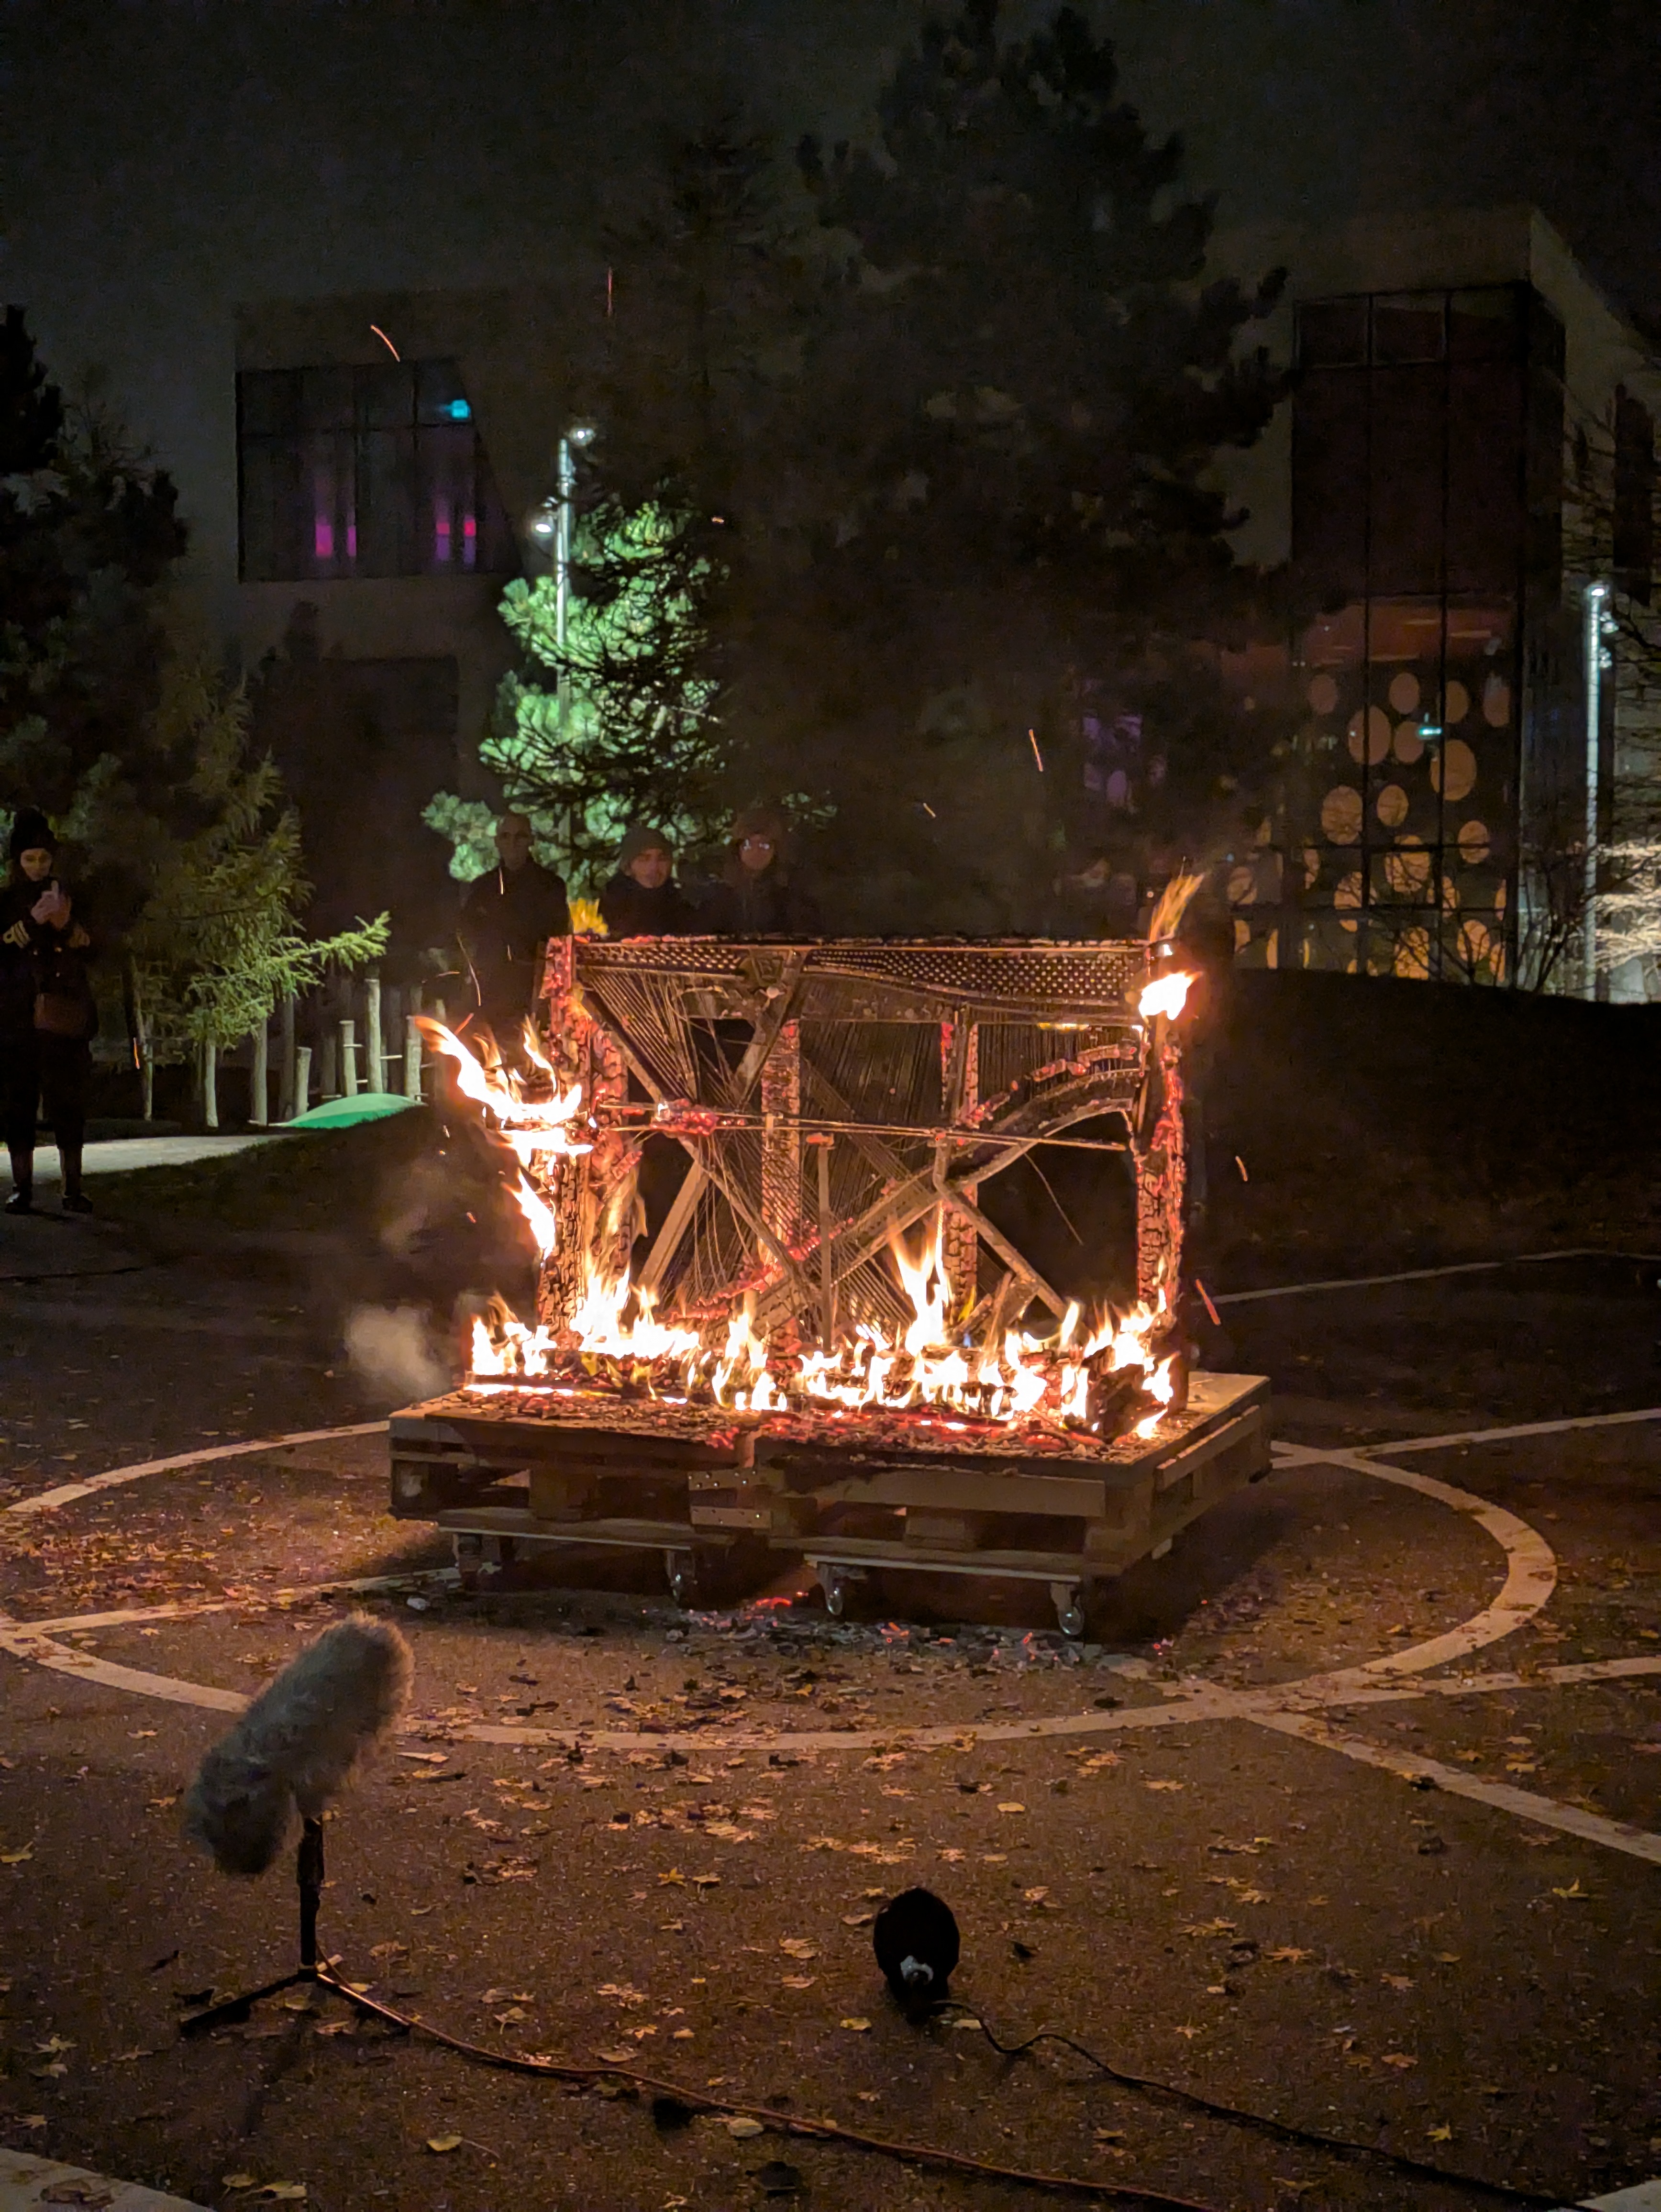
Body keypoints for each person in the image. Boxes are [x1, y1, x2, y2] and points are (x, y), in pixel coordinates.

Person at [0, 809, 97, 1216]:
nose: (38, 867)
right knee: (18, 1105)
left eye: (43, 858)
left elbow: (97, 950)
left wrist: (68, 924)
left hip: (64, 1020)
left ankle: (72, 1188)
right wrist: (26, 924)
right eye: (29, 859)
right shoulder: (5, 903)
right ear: (17, 862)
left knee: (68, 1104)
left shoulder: (72, 896)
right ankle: (23, 1188)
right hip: (17, 1020)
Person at [456, 811, 570, 1040]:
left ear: (531, 840)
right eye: (506, 836)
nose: (513, 843)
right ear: (498, 842)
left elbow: (560, 939)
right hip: (492, 988)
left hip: (536, 989)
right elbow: (466, 933)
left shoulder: (550, 886)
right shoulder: (483, 889)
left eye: (520, 836)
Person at [697, 804, 821, 935]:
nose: (756, 851)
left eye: (764, 845)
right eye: (748, 844)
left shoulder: (791, 897)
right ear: (737, 849)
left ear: (776, 851)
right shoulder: (718, 896)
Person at [598, 824, 698, 939]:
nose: (654, 868)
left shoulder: (681, 905)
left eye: (662, 859)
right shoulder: (611, 904)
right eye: (644, 859)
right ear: (628, 866)